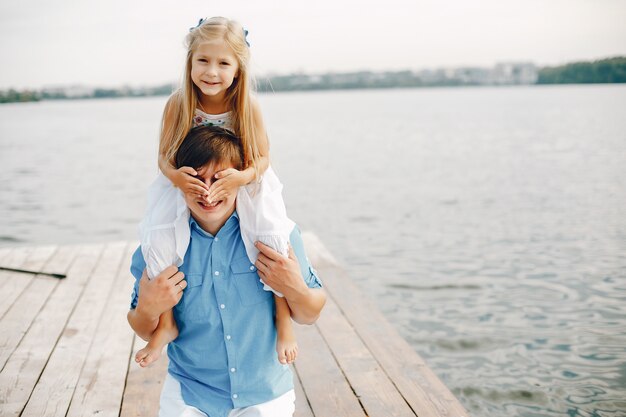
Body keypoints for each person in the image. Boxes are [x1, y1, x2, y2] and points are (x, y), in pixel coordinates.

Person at [127, 125, 326, 417]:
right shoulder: (159, 245)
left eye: (218, 180)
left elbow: (311, 314)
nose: (208, 192)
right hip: (191, 391)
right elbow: (143, 328)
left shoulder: (274, 233)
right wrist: (147, 307)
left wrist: (294, 286)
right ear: (179, 181)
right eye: (196, 180)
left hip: (264, 391)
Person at [136, 16, 298, 367]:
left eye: (223, 63)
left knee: (271, 237)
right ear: (190, 62)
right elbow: (163, 157)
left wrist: (240, 179)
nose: (212, 71)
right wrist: (176, 178)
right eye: (203, 61)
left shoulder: (247, 106)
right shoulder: (178, 104)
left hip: (242, 179)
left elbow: (263, 158)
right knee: (159, 237)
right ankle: (166, 325)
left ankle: (284, 320)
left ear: (238, 69)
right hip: (188, 181)